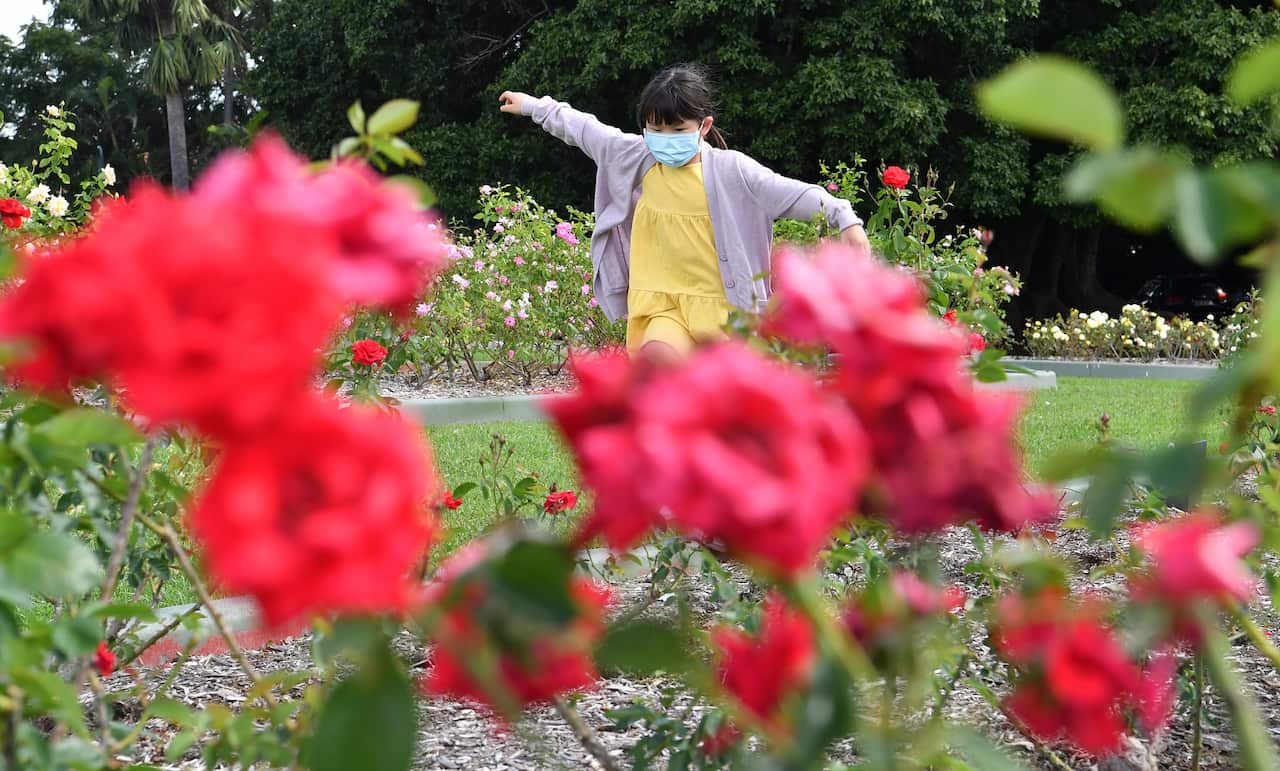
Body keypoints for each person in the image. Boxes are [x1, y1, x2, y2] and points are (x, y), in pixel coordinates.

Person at [499, 63, 870, 362]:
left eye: (677, 129)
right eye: (655, 128)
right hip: (661, 307)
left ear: (703, 126)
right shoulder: (635, 158)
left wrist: (845, 218)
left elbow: (794, 194)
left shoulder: (733, 171)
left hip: (724, 313)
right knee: (657, 369)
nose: (665, 137)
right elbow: (583, 128)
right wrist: (533, 106)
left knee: (718, 410)